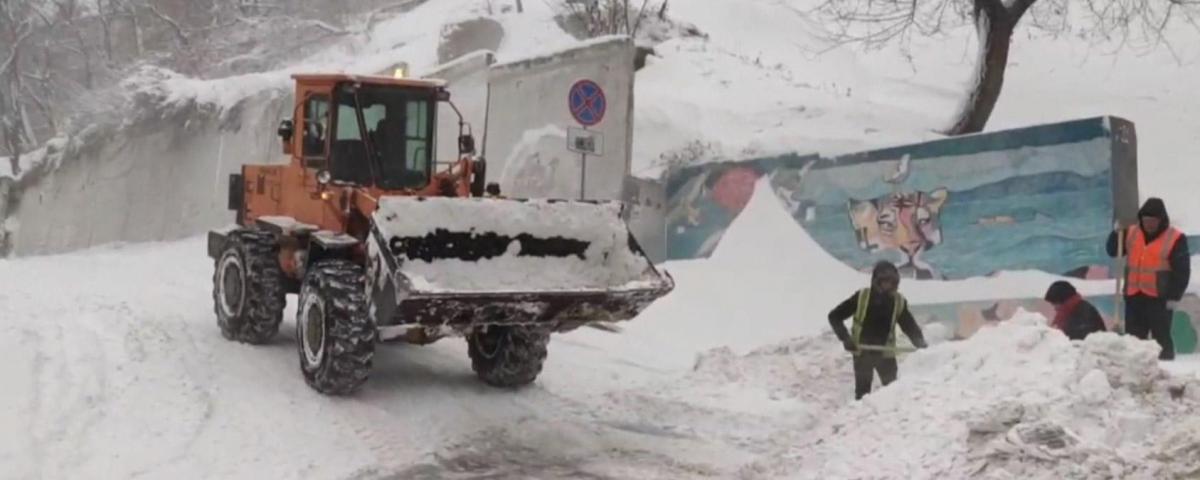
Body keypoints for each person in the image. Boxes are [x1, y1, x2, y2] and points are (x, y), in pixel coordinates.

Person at [829, 260, 928, 400]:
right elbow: (834, 316)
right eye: (885, 282)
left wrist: (920, 342)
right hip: (862, 352)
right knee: (863, 396)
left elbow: (909, 326)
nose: (889, 286)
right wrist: (845, 338)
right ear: (876, 281)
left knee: (893, 392)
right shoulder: (862, 297)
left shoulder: (898, 302)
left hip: (885, 353)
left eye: (892, 283)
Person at [1107, 197, 1191, 360]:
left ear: (1161, 220)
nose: (1149, 224)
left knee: (1161, 340)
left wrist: (1174, 297)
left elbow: (1182, 272)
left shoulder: (1175, 238)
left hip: (1159, 298)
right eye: (1146, 220)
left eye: (1153, 221)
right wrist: (1115, 232)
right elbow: (1113, 250)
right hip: (1134, 296)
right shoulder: (1131, 232)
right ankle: (1138, 372)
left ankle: (1166, 370)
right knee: (1134, 343)